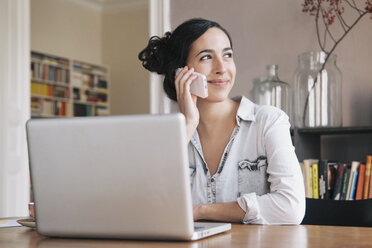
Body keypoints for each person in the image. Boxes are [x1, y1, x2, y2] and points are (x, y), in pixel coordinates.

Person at [138, 18, 305, 225]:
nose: (222, 68)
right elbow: (145, 205)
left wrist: (200, 211)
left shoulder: (268, 122)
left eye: (227, 55)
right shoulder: (169, 134)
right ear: (179, 72)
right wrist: (189, 124)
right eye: (207, 57)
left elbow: (291, 208)